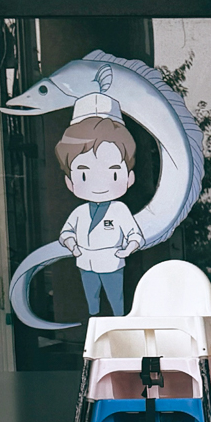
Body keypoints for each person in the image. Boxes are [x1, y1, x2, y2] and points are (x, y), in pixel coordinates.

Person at [56, 93, 145, 316]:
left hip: (112, 262)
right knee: (92, 302)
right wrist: (74, 246)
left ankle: (119, 323)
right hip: (85, 262)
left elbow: (135, 235)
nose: (98, 185)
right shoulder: (79, 212)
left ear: (129, 178)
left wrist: (126, 250)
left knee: (116, 302)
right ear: (69, 182)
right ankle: (93, 323)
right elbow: (65, 233)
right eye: (84, 175)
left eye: (113, 174)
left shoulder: (120, 210)